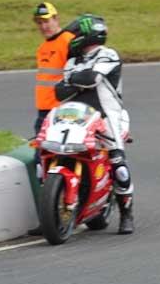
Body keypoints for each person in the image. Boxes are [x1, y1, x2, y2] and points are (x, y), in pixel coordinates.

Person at [55, 14, 134, 235]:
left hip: (108, 117)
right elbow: (60, 92)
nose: (72, 40)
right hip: (78, 117)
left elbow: (92, 79)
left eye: (75, 35)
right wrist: (75, 80)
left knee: (118, 165)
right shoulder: (72, 61)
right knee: (56, 152)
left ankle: (127, 213)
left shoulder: (108, 54)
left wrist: (73, 81)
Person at [28, 2, 75, 235]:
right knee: (41, 164)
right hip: (43, 114)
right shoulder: (42, 48)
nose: (44, 26)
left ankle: (72, 206)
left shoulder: (67, 40)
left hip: (64, 113)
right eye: (40, 23)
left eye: (47, 21)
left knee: (66, 159)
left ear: (56, 18)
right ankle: (48, 217)